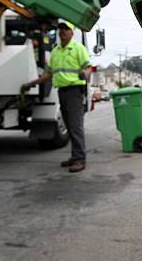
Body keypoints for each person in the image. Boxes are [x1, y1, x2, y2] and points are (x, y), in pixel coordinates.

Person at [22, 21, 92, 173]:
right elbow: (48, 73)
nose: (62, 32)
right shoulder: (55, 51)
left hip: (74, 92)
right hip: (62, 91)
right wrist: (32, 83)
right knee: (69, 126)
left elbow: (88, 67)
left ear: (72, 32)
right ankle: (75, 157)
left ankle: (80, 160)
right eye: (60, 29)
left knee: (75, 127)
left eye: (66, 29)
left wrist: (85, 74)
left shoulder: (78, 48)